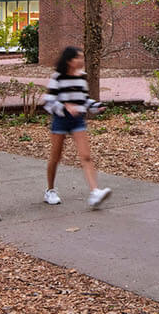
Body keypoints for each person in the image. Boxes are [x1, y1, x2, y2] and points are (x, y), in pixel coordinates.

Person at [40, 46, 111, 209]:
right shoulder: (57, 78)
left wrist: (96, 106)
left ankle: (95, 193)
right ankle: (50, 190)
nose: (81, 60)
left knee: (86, 156)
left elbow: (84, 100)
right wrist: (65, 107)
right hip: (60, 120)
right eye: (77, 58)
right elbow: (48, 102)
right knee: (55, 157)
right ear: (69, 61)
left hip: (78, 120)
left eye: (81, 57)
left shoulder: (82, 78)